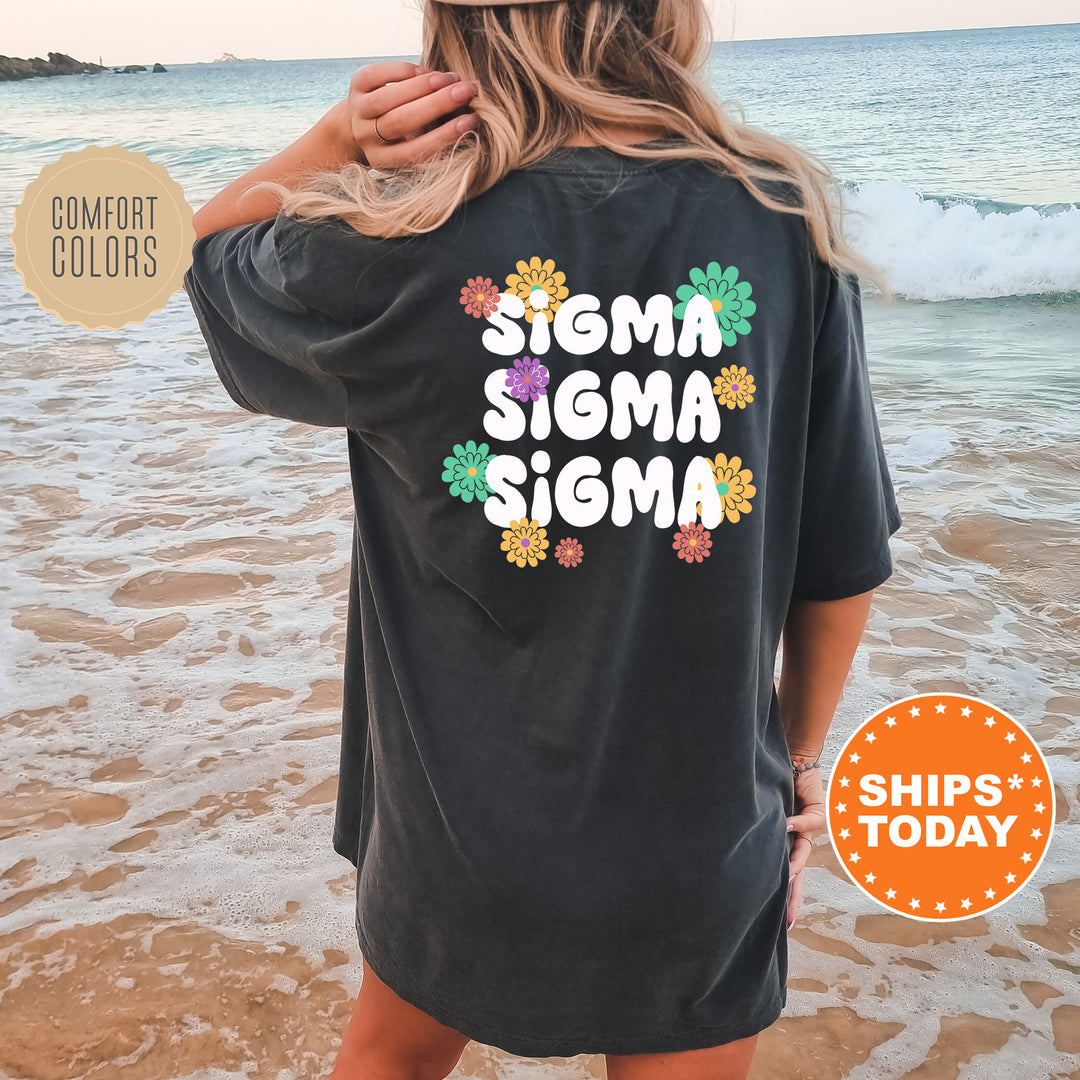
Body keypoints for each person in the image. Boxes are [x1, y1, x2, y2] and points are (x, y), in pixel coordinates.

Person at [182, 0, 903, 1076]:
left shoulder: (396, 236)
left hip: (456, 836)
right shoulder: (779, 219)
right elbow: (841, 561)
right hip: (698, 834)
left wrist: (339, 142)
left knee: (388, 1057)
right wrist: (800, 764)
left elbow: (204, 253)